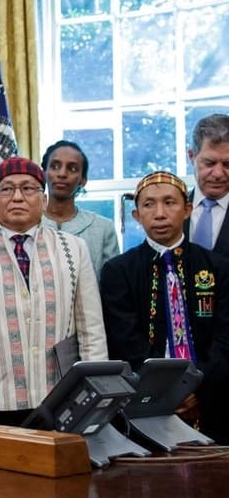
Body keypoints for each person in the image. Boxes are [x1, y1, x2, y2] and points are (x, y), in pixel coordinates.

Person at [0, 156, 108, 427]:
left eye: (28, 188)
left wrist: (98, 389)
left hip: (63, 398)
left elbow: (91, 329)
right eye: (6, 189)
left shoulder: (74, 248)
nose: (17, 197)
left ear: (43, 200)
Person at [100, 171, 229, 444]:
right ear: (136, 215)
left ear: (187, 210)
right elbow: (125, 340)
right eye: (149, 204)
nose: (159, 213)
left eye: (169, 202)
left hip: (214, 396)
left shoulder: (218, 268)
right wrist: (167, 391)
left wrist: (195, 388)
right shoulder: (118, 271)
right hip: (146, 400)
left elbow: (225, 338)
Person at [40, 140, 118, 279]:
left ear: (83, 180)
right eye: (55, 166)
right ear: (44, 173)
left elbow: (111, 287)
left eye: (72, 169)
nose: (62, 173)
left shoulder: (103, 228)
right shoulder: (27, 225)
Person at [185, 114, 229, 256]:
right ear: (191, 156)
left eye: (227, 165)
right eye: (209, 163)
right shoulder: (171, 210)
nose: (218, 173)